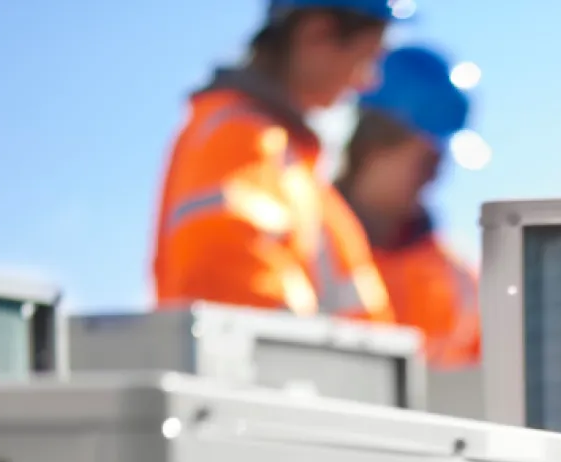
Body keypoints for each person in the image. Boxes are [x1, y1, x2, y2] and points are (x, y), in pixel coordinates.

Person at [152, 1, 400, 324]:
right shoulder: (239, 138)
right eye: (366, 59)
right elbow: (232, 291)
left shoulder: (290, 161)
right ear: (317, 34)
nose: (368, 82)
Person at [336, 45, 482, 369]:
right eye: (427, 161)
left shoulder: (459, 279)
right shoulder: (303, 239)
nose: (434, 177)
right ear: (373, 144)